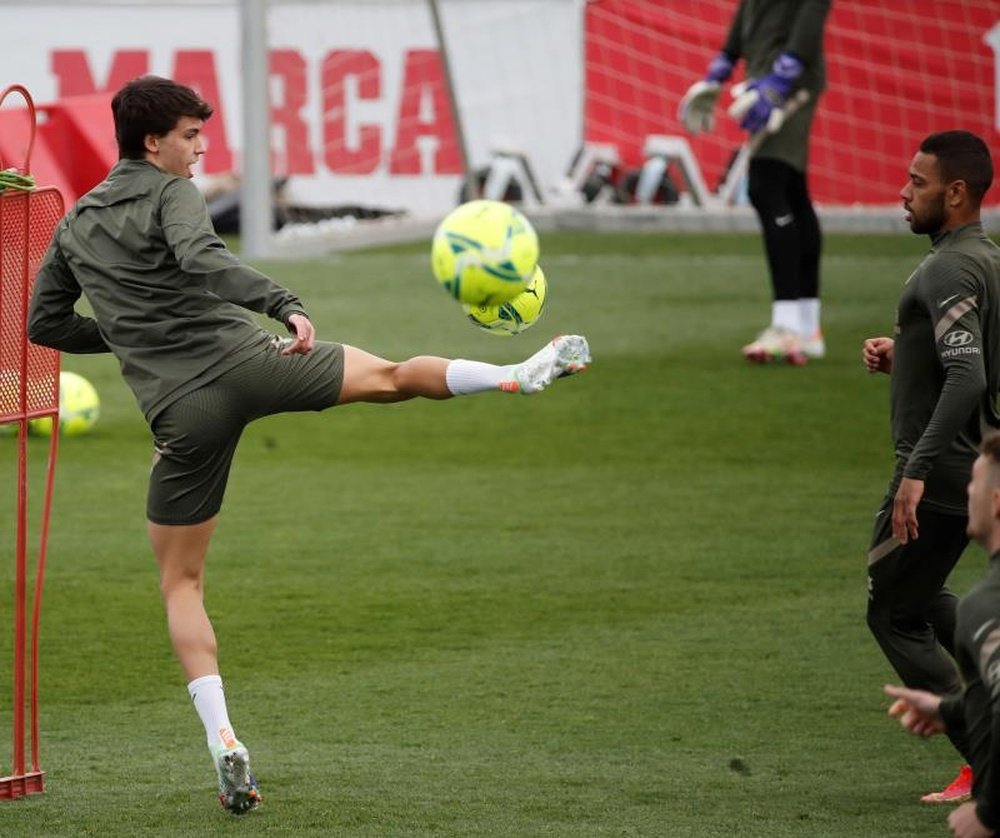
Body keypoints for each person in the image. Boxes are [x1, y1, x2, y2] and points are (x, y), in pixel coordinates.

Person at [26, 75, 592, 815]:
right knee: (391, 376)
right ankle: (515, 373)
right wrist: (281, 302)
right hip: (257, 362)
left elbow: (44, 323)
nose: (201, 151)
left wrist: (129, 333)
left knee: (181, 586)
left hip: (179, 413)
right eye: (191, 138)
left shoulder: (72, 226)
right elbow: (203, 260)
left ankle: (223, 740)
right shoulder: (172, 194)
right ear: (151, 142)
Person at [862, 130, 1000, 805]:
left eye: (917, 182)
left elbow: (968, 375)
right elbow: (968, 359)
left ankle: (986, 755)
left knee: (893, 611)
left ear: (955, 193)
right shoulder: (983, 259)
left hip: (937, 470)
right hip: (968, 466)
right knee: (919, 596)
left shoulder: (948, 268)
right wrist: (908, 354)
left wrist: (914, 472)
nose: (903, 191)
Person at [678, 0, 831, 365]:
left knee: (766, 185)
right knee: (792, 192)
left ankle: (787, 326)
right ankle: (807, 328)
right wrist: (719, 70)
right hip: (764, 78)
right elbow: (746, 20)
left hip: (789, 82)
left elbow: (813, 10)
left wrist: (782, 78)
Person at [885, 431, 1000, 838]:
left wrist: (990, 814)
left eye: (972, 483)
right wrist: (945, 709)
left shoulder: (987, 607)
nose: (963, 491)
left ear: (996, 502)